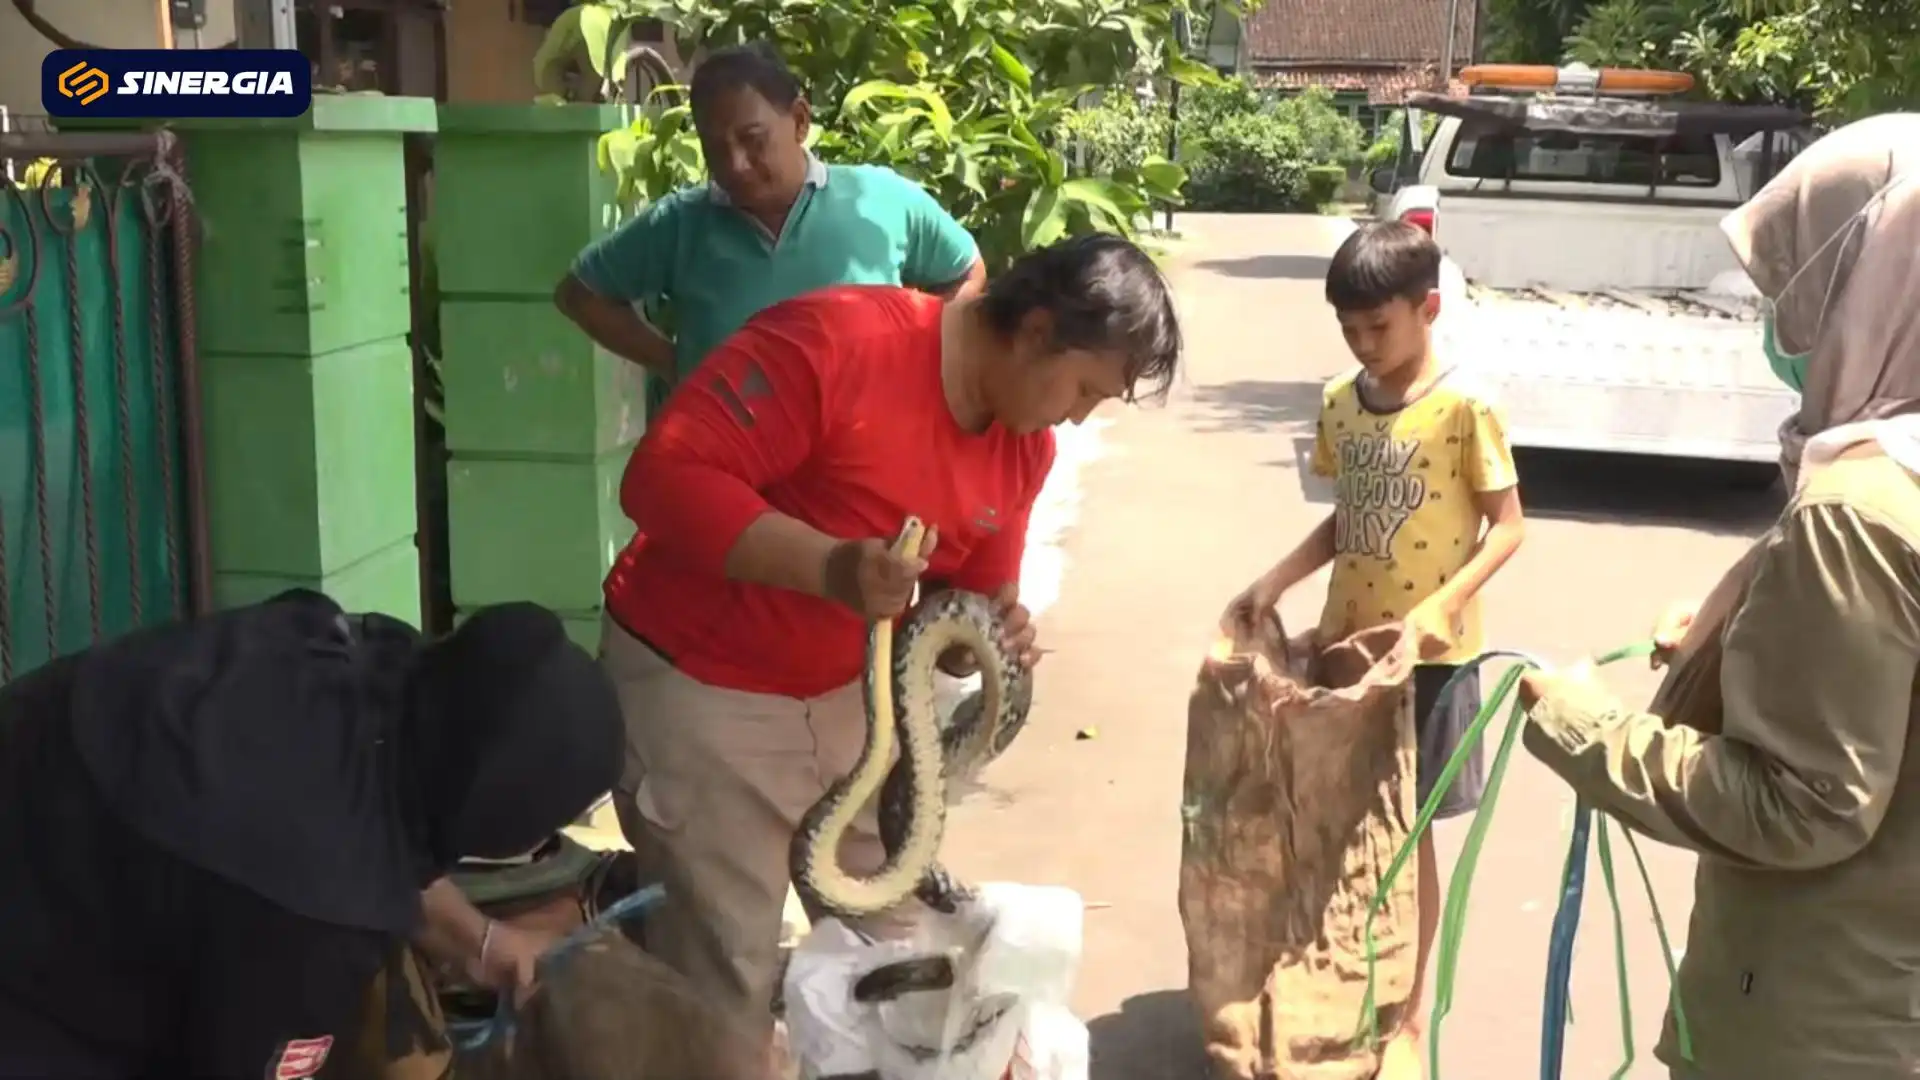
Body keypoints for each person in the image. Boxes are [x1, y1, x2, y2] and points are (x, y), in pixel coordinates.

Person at [598, 233, 1181, 1056]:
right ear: (1038, 329)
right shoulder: (836, 344)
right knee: (725, 984)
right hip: (701, 687)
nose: (1079, 415)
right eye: (1084, 387)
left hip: (844, 704)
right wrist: (831, 567)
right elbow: (660, 480)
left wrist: (989, 637)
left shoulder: (1024, 446)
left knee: (905, 961)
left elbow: (956, 609)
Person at [1517, 115, 1920, 1080]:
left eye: (1796, 287)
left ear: (1870, 284)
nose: (1780, 324)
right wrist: (1742, 626)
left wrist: (1583, 730)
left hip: (1821, 1024)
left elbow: (1808, 804)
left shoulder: (1857, 512)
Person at [0, 589, 623, 1079]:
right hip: (38, 980)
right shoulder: (313, 926)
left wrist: (479, 942)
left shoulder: (347, 652)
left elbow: (374, 829)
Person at [1223, 220, 1526, 1072]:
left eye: (1379, 328)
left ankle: (1412, 1013)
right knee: (1333, 823)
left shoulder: (1467, 406)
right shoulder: (1340, 405)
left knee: (1408, 834)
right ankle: (1334, 978)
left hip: (1433, 662)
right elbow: (1348, 517)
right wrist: (1277, 580)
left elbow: (1508, 528)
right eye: (1349, 331)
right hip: (1347, 655)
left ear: (1428, 308)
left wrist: (1442, 606)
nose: (1365, 346)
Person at [553, 40, 987, 412]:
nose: (736, 164)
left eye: (753, 140)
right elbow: (580, 293)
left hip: (858, 470)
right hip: (728, 471)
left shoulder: (881, 200)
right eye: (715, 148)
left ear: (799, 120)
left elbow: (966, 269)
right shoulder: (680, 224)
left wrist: (926, 356)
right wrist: (675, 362)